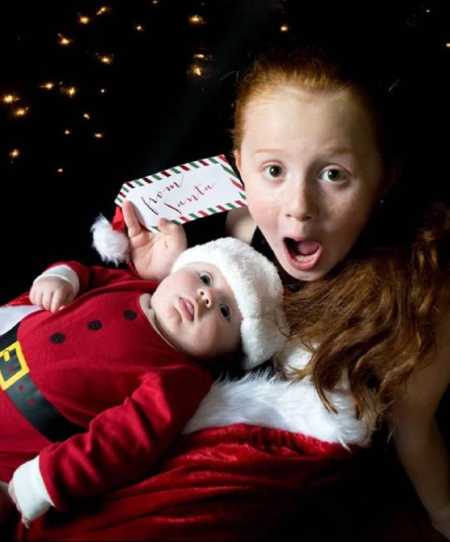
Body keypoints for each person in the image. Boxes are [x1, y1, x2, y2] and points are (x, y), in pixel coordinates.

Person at [9, 43, 450, 541]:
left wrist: (442, 517)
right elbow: (157, 349)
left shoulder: (418, 296)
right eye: (274, 171)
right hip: (126, 447)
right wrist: (156, 274)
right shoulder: (239, 227)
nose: (298, 207)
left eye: (334, 175)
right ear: (240, 165)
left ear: (382, 179)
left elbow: (416, 435)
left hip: (286, 489)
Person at [0, 236, 287, 528]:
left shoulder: (181, 377)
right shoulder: (136, 286)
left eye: (225, 311)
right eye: (205, 277)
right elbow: (89, 274)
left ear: (224, 355)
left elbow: (124, 441)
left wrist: (48, 477)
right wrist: (62, 278)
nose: (206, 296)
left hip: (18, 435)